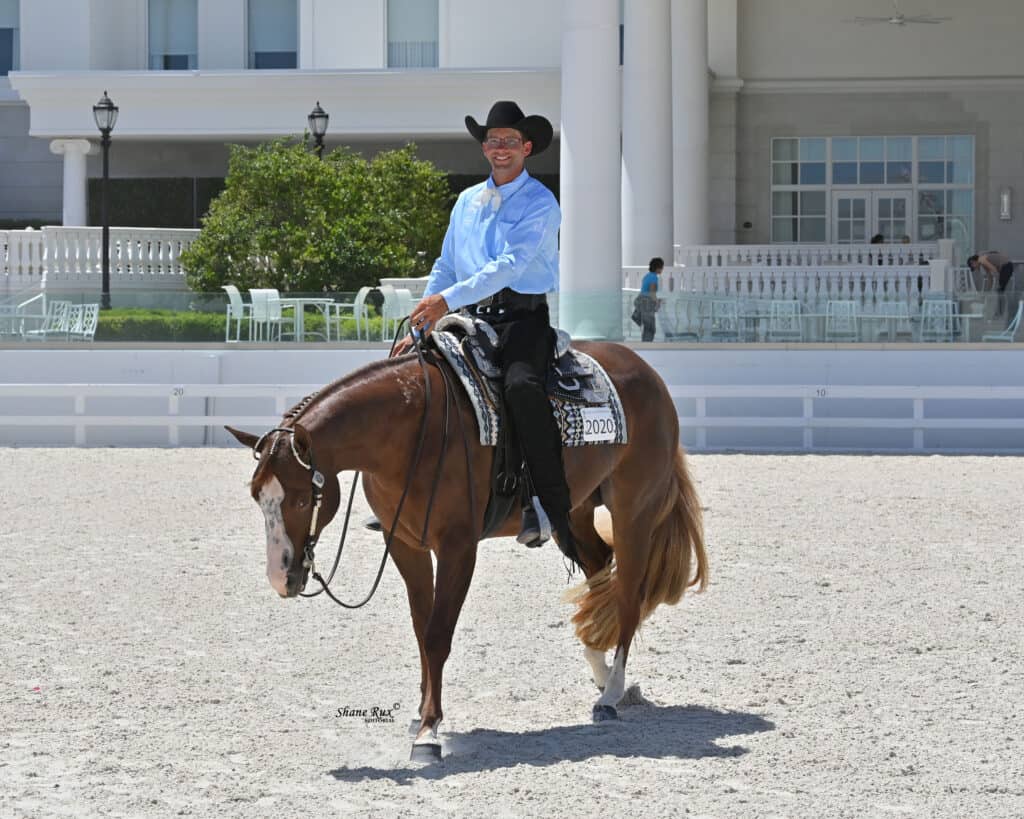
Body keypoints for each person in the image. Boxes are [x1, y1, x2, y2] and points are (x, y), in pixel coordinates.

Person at [389, 100, 570, 550]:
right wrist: (424, 314)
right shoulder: (467, 201)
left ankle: (547, 502)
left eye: (510, 141)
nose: (500, 148)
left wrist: (446, 300)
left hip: (521, 318)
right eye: (493, 140)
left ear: (527, 147)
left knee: (522, 386)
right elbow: (446, 263)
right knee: (413, 383)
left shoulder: (541, 203)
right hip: (466, 316)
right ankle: (407, 499)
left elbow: (511, 266)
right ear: (485, 147)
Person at [968, 251, 1015, 316]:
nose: (975, 268)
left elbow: (994, 270)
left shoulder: (981, 260)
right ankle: (999, 312)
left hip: (1006, 266)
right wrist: (987, 291)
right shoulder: (983, 262)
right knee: (1000, 291)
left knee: (1000, 290)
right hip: (1006, 267)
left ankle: (1002, 312)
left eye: (973, 266)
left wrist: (998, 283)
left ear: (973, 262)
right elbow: (990, 278)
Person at [639, 257, 663, 342]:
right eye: (661, 267)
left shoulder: (647, 276)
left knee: (647, 328)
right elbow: (652, 292)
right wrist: (658, 301)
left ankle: (644, 345)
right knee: (650, 329)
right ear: (658, 267)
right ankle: (647, 346)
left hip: (642, 303)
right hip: (647, 304)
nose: (662, 269)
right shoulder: (654, 277)